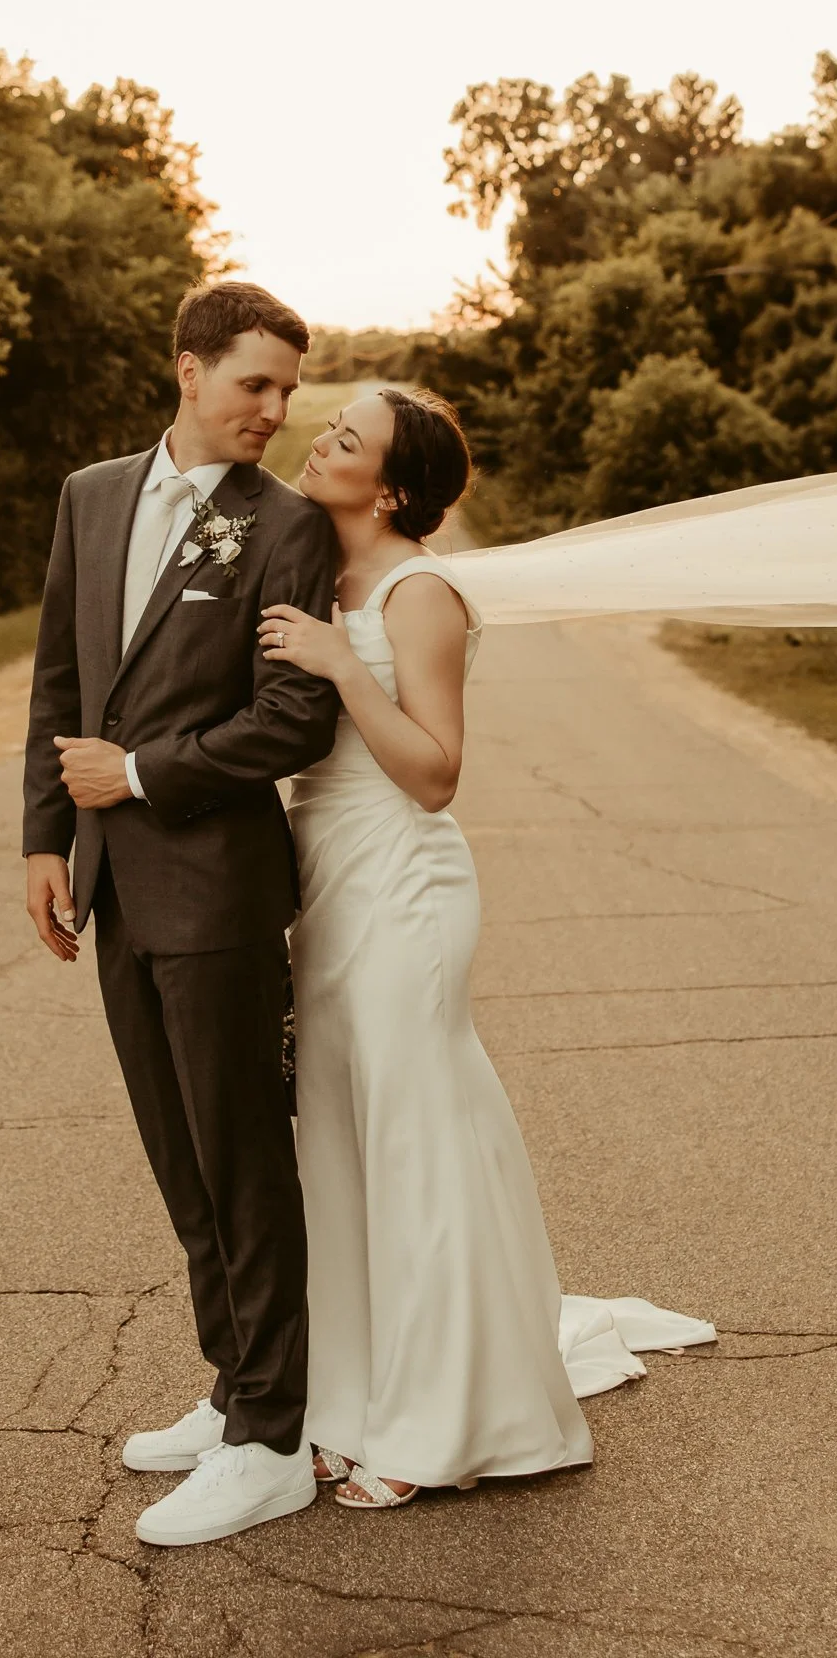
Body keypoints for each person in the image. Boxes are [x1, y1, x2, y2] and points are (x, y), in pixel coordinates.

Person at [22, 281, 341, 1548]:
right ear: (188, 370)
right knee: (176, 1146)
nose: (275, 410)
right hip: (110, 883)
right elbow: (57, 675)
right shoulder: (90, 495)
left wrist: (145, 775)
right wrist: (46, 836)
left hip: (217, 886)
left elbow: (292, 717)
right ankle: (230, 1386)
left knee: (241, 1152)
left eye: (287, 389)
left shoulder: (288, 527)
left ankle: (274, 1435)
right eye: (253, 383)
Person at [259, 388, 602, 1508]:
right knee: (341, 1144)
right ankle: (345, 1401)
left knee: (412, 1137)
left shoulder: (420, 592)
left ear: (394, 490)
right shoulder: (321, 569)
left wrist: (340, 664)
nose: (321, 440)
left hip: (405, 880)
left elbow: (436, 769)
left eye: (346, 440)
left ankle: (440, 1418)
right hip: (326, 874)